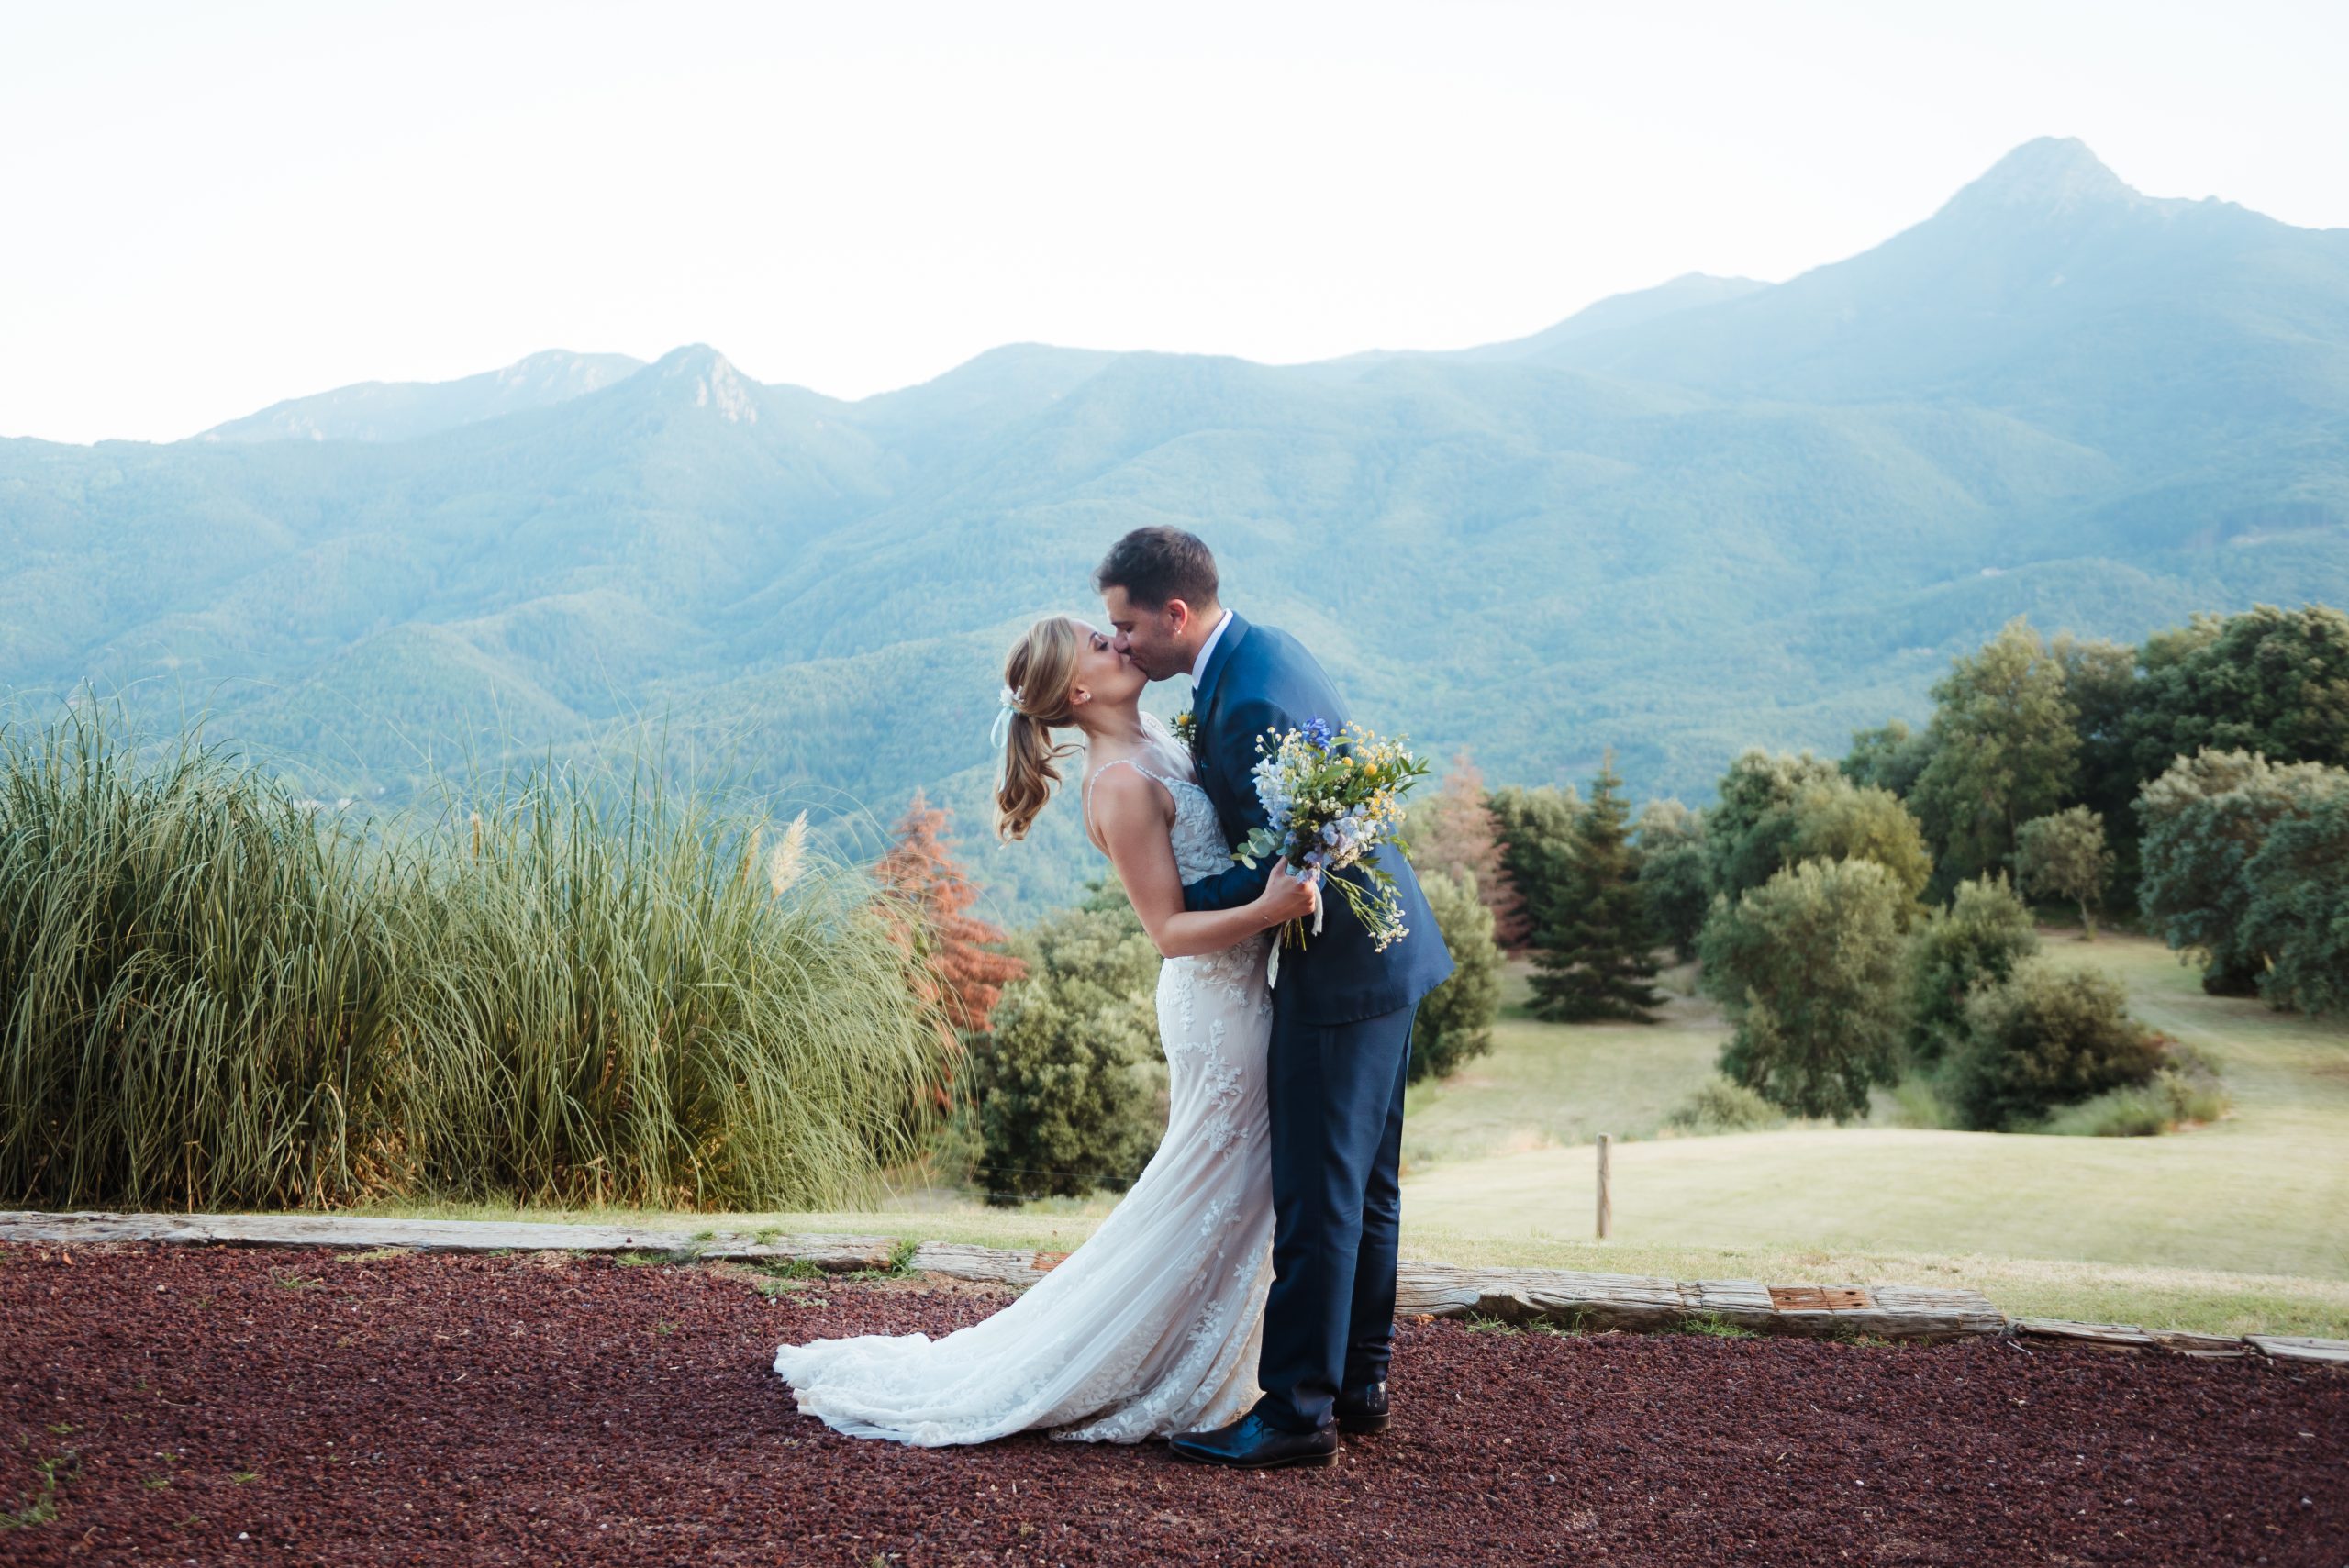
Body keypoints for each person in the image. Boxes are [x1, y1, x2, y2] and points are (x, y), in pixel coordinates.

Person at [772, 612, 1319, 1446]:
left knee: (1231, 1190)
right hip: (1215, 1004)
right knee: (1223, 1186)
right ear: (1079, 689)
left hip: (1245, 990)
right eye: (1103, 644)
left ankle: (1205, 1358)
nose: (1121, 643)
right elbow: (1167, 931)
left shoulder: (1160, 740)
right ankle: (1136, 1363)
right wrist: (1270, 906)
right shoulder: (1119, 784)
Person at [1097, 526, 1453, 1469]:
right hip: (1386, 954)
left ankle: (1297, 1410)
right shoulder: (1261, 650)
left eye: (1126, 625)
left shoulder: (1246, 698)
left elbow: (1277, 866)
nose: (1121, 644)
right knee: (1366, 1187)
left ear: (1175, 613)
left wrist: (1175, 905)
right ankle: (1360, 1381)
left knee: (1317, 1195)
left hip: (1338, 964)